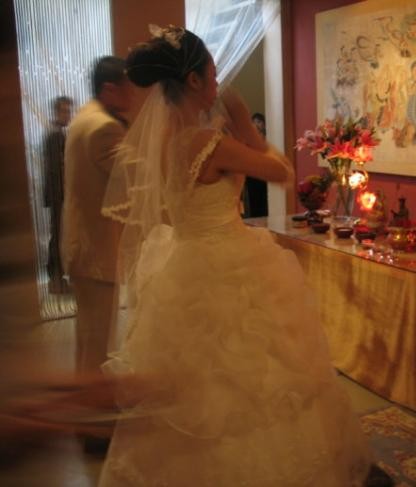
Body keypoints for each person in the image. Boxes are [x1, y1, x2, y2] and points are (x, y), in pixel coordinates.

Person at [98, 26, 385, 486]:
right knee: (253, 382)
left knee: (197, 387)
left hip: (183, 264)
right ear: (194, 80)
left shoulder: (163, 138)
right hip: (227, 263)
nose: (218, 84)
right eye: (213, 75)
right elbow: (283, 172)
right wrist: (243, 121)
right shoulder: (206, 143)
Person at [61, 56, 133, 451]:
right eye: (128, 87)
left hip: (83, 245)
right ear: (110, 89)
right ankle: (94, 429)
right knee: (98, 345)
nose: (134, 95)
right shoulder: (105, 127)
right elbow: (134, 177)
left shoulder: (85, 117)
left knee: (88, 340)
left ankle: (86, 416)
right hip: (96, 249)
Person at [43, 95, 72, 294]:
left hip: (57, 195)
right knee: (58, 236)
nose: (68, 115)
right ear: (56, 112)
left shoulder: (56, 134)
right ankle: (55, 278)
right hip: (58, 195)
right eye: (64, 111)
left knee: (58, 235)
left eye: (69, 111)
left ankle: (56, 278)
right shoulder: (55, 136)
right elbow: (56, 170)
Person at [242, 112, 269, 217]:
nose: (257, 124)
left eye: (259, 121)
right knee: (253, 199)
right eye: (254, 122)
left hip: (265, 172)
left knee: (264, 199)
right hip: (252, 174)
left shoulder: (270, 137)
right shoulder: (248, 140)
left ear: (264, 124)